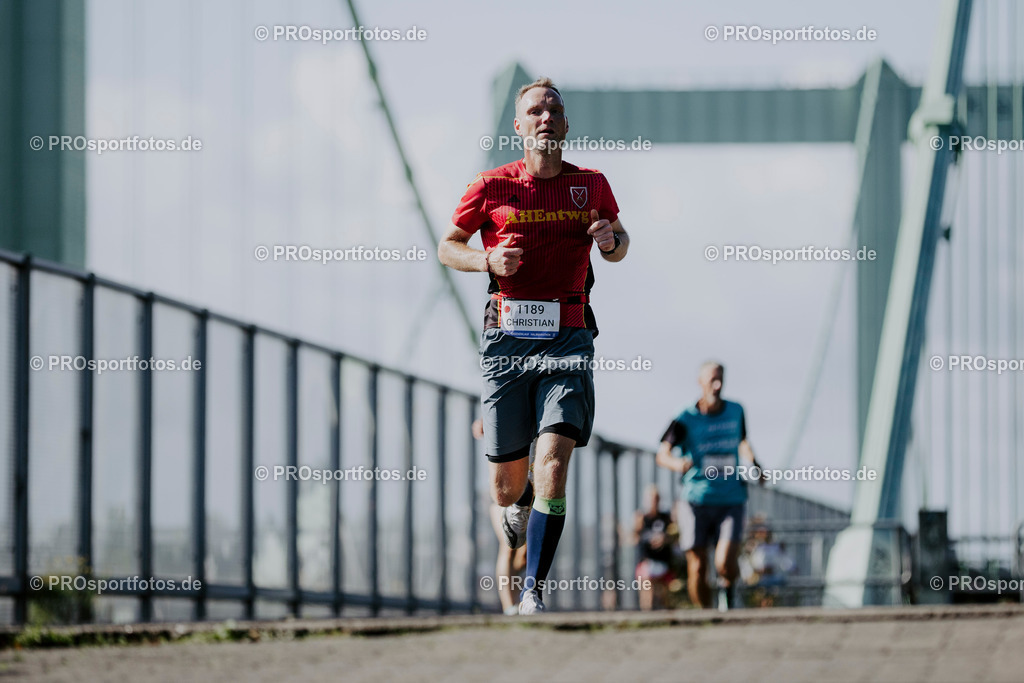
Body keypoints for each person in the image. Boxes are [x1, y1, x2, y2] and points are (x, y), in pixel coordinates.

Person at [439, 77, 630, 614]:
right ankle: (519, 500)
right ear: (518, 127)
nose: (545, 117)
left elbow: (619, 244)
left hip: (569, 335)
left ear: (566, 126)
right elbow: (446, 246)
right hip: (506, 341)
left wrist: (611, 241)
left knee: (553, 461)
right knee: (506, 488)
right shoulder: (492, 185)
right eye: (534, 111)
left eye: (554, 110)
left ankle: (532, 592)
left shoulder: (591, 184)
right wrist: (486, 261)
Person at [654, 361, 764, 610]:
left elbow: (742, 440)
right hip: (695, 500)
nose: (717, 385)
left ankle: (728, 593)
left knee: (725, 562)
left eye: (720, 379)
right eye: (712, 379)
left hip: (731, 499)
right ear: (700, 382)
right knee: (698, 565)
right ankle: (706, 617)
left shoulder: (736, 410)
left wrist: (754, 462)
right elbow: (662, 454)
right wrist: (677, 463)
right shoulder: (685, 416)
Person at [474, 418, 530, 615]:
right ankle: (509, 606)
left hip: (532, 491)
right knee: (509, 544)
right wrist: (484, 421)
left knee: (523, 555)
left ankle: (522, 599)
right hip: (504, 491)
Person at [633, 484, 677, 611]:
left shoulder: (666, 518)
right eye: (651, 499)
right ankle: (647, 616)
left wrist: (665, 539)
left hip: (664, 563)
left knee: (666, 597)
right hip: (647, 563)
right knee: (647, 587)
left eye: (656, 499)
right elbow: (634, 538)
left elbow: (675, 538)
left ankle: (669, 620)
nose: (654, 502)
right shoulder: (641, 518)